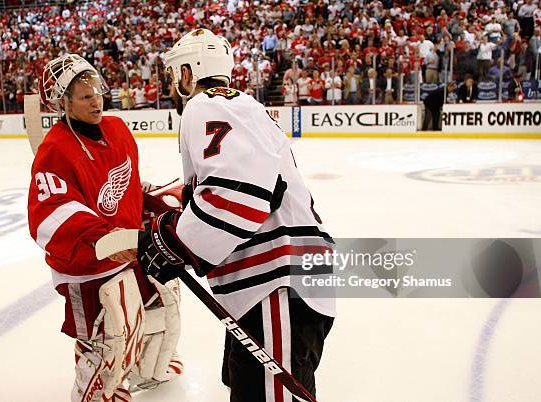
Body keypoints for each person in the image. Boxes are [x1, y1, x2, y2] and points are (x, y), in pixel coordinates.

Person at [137, 28, 335, 402]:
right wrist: (170, 202)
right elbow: (236, 183)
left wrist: (178, 242)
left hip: (275, 283)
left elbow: (238, 194)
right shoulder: (241, 105)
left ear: (187, 72)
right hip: (278, 284)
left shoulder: (208, 105)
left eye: (174, 72)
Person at [27, 54, 183, 402]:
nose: (96, 99)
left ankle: (146, 369)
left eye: (97, 90)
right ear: (62, 102)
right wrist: (104, 236)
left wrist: (152, 203)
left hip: (128, 250)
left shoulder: (117, 129)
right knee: (111, 327)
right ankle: (92, 387)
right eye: (85, 96)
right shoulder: (54, 150)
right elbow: (49, 214)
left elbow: (127, 190)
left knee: (162, 304)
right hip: (86, 262)